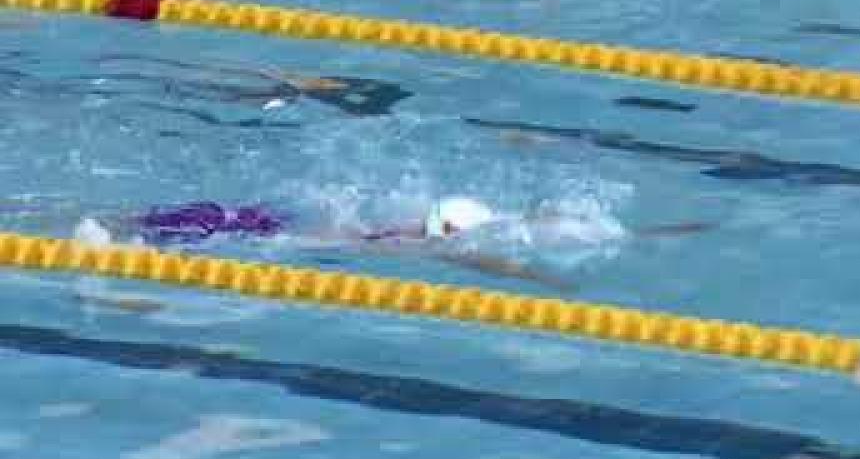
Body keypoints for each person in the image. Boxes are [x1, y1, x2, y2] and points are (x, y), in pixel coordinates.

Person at [75, 196, 712, 292]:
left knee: (122, 221)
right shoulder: (397, 247)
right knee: (115, 228)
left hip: (249, 222)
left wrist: (653, 235)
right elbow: (488, 254)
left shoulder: (386, 233)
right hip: (242, 231)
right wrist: (546, 283)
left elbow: (519, 229)